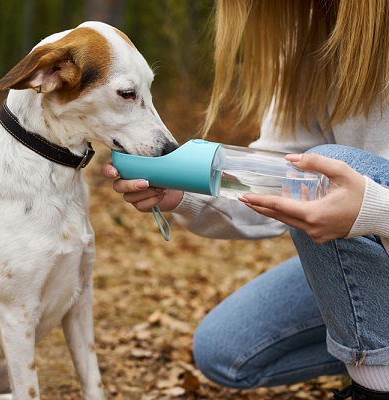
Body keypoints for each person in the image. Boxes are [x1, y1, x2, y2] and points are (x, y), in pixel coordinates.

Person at [102, 1, 389, 399]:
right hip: (373, 252)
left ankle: (373, 386)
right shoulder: (308, 29)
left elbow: (319, 179)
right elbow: (281, 178)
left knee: (326, 171)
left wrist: (375, 210)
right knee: (226, 349)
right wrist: (185, 194)